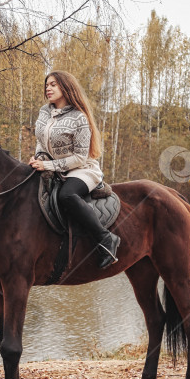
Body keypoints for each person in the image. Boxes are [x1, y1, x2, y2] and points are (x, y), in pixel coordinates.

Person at [28, 71, 120, 269]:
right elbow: (41, 141)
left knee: (66, 195)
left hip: (82, 169)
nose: (48, 88)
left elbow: (79, 157)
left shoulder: (79, 118)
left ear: (65, 87)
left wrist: (48, 165)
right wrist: (38, 158)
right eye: (47, 85)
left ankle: (106, 239)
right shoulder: (44, 111)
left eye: (53, 84)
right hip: (52, 166)